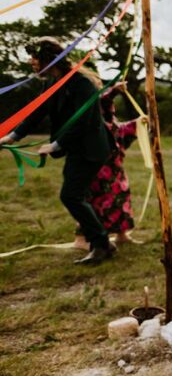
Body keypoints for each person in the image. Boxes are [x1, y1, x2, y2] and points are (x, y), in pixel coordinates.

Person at [0, 38, 115, 264]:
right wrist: (13, 136)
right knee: (75, 195)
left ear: (49, 60)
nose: (32, 63)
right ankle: (102, 242)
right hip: (76, 149)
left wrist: (56, 144)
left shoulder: (81, 84)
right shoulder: (51, 83)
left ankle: (101, 244)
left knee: (71, 195)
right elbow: (38, 112)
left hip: (91, 148)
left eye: (36, 59)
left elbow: (84, 120)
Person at [73, 83, 145, 250]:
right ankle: (81, 238)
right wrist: (113, 92)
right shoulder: (88, 108)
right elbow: (100, 101)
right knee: (92, 199)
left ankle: (121, 234)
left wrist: (139, 123)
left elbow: (117, 128)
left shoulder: (109, 119)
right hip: (95, 163)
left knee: (120, 195)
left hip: (114, 166)